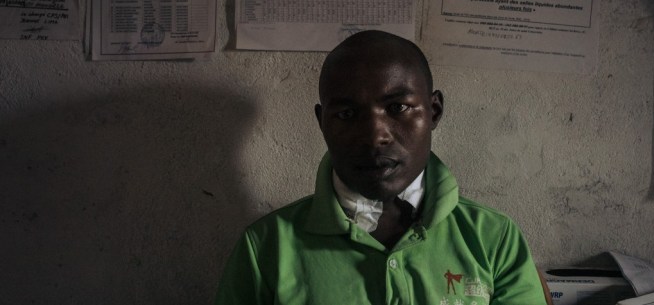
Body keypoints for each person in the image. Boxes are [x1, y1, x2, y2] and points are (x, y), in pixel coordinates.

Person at [215, 30, 547, 305]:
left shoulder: (494, 239)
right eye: (347, 114)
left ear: (433, 111)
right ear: (322, 122)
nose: (375, 137)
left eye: (397, 107)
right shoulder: (267, 247)